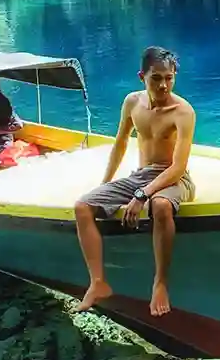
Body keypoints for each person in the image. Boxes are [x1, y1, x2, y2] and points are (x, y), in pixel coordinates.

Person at [72, 45, 196, 318]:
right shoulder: (131, 102)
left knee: (161, 206)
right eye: (156, 78)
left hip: (174, 176)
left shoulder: (183, 112)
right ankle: (98, 283)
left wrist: (142, 196)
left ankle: (160, 282)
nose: (164, 85)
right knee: (82, 207)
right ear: (142, 76)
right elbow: (119, 145)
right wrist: (103, 186)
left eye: (169, 78)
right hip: (142, 174)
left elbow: (178, 167)